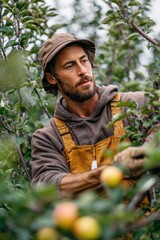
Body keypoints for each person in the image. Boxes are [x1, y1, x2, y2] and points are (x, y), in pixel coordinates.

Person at [30, 33, 151, 198]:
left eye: (84, 60)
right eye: (69, 66)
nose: (82, 71)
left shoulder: (131, 105)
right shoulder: (49, 138)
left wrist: (146, 150)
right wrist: (109, 172)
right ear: (52, 78)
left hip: (144, 222)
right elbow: (47, 186)